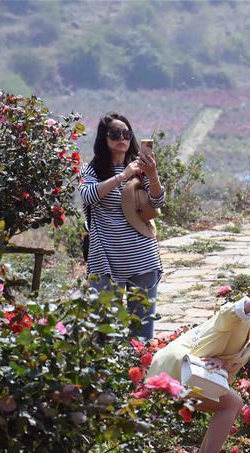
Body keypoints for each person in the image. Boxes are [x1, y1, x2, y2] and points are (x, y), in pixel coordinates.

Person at [147, 284, 250, 453]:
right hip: (176, 366)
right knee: (232, 403)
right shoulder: (241, 321)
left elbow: (223, 371)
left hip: (187, 372)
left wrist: (222, 362)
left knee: (229, 404)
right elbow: (228, 312)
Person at [79, 113, 165, 339]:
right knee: (106, 334)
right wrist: (122, 176)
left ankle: (141, 374)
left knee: (142, 334)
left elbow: (158, 202)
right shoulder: (92, 170)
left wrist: (152, 174)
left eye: (126, 134)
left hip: (142, 258)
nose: (122, 139)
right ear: (103, 138)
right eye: (115, 134)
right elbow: (87, 196)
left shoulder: (141, 169)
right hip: (105, 261)